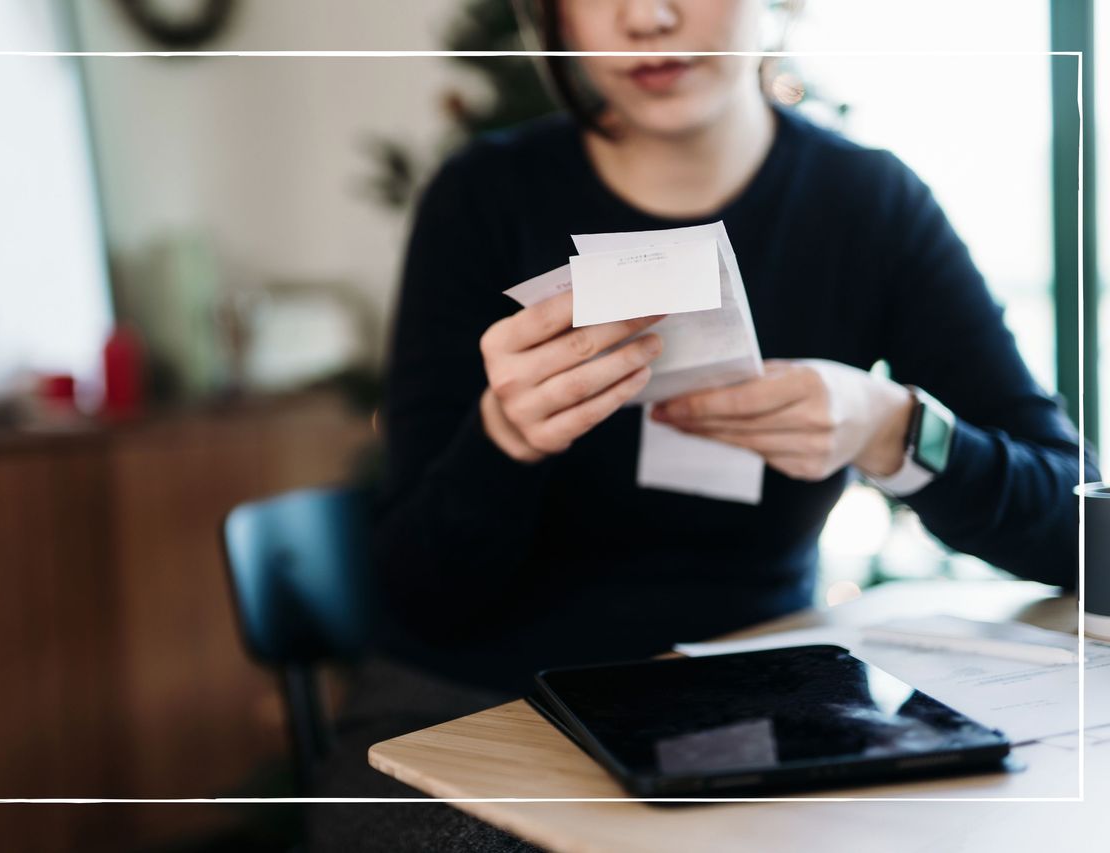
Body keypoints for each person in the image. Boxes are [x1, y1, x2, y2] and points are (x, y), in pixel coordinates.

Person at [307, 1, 1097, 849]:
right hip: (475, 704)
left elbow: (1084, 531)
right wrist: (501, 440)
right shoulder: (481, 199)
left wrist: (893, 427)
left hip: (753, 698)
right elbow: (415, 595)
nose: (648, 17)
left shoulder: (867, 204)